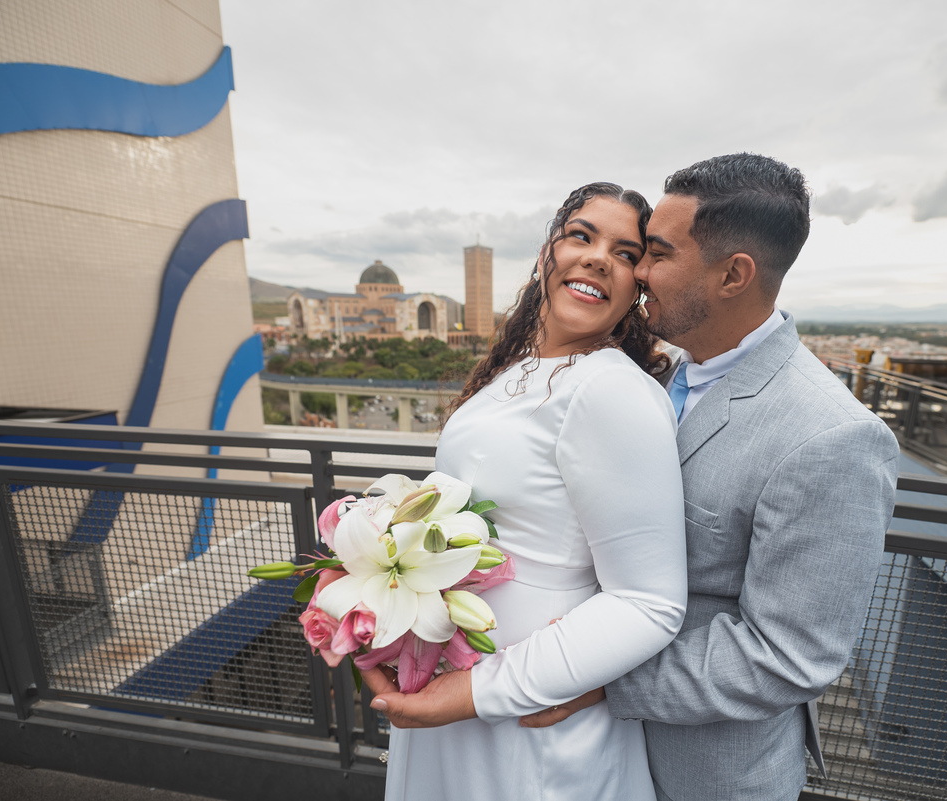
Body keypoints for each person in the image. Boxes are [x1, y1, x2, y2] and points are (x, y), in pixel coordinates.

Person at [520, 153, 900, 800]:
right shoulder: (659, 374)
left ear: (733, 275)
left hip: (702, 775)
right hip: (591, 756)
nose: (636, 273)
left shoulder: (833, 437)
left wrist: (601, 679)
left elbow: (787, 653)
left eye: (657, 254)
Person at [361, 182, 689, 800]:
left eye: (624, 253)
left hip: (525, 713)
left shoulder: (609, 391)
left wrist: (474, 694)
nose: (597, 258)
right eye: (581, 236)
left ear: (637, 288)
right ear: (547, 255)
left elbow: (650, 602)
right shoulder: (518, 373)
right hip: (456, 685)